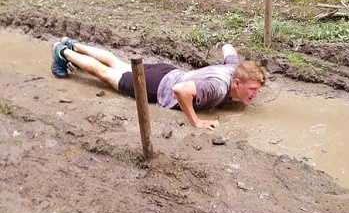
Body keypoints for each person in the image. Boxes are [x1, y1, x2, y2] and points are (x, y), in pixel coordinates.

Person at [51, 37, 265, 129]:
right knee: (105, 73)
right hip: (157, 86)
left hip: (166, 71)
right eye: (252, 89)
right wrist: (196, 122)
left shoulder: (233, 67)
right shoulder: (217, 88)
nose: (255, 94)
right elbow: (180, 90)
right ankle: (63, 52)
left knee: (117, 63)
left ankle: (73, 44)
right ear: (237, 82)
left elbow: (228, 48)